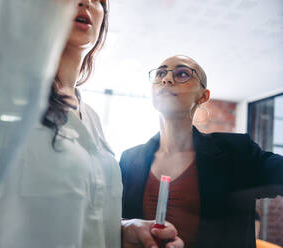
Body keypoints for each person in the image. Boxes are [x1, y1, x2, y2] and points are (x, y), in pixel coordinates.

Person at [0, 1, 184, 247]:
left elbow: (78, 213)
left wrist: (124, 231)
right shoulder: (7, 96)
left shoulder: (91, 118)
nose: (86, 2)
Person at [119, 55, 283, 248]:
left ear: (202, 96)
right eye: (160, 73)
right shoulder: (129, 159)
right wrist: (126, 225)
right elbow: (105, 219)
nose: (166, 79)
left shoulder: (237, 153)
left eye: (182, 74)